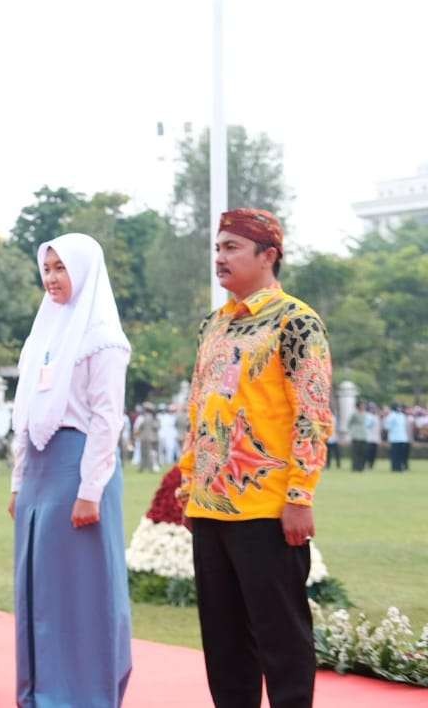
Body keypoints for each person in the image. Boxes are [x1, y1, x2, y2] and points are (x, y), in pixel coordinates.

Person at [177, 208, 333, 708]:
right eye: (217, 248)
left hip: (268, 509)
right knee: (223, 645)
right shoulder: (214, 324)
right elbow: (198, 410)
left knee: (281, 639)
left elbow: (312, 413)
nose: (219, 258)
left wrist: (299, 496)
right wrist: (188, 487)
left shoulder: (296, 322)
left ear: (269, 256)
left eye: (231, 248)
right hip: (210, 507)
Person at [8, 233, 132, 708]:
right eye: (48, 267)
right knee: (38, 591)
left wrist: (91, 490)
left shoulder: (102, 339)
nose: (52, 278)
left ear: (84, 271)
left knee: (79, 593)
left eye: (62, 268)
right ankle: (41, 692)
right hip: (40, 473)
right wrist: (20, 482)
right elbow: (26, 413)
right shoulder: (46, 332)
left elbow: (106, 419)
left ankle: (80, 694)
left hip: (78, 472)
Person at [385, 404, 410, 472]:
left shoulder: (402, 416)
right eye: (398, 407)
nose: (399, 409)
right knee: (395, 454)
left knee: (401, 454)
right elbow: (387, 426)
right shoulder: (391, 416)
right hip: (394, 438)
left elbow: (404, 427)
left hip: (403, 438)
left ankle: (400, 467)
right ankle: (395, 468)